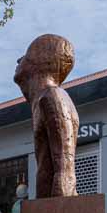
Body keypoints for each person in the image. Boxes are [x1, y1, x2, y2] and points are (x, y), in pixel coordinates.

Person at [14, 34, 79, 198]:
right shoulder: (43, 99)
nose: (18, 60)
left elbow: (65, 169)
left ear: (39, 62)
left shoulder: (52, 97)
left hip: (57, 211)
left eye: (26, 56)